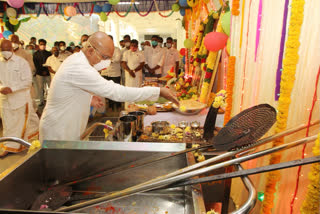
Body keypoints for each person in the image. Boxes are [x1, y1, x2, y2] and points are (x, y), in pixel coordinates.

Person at [39, 32, 178, 142]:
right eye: (104, 57)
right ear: (90, 50)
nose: (107, 62)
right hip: (58, 131)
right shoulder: (79, 67)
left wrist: (89, 99)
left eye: (109, 59)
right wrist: (158, 91)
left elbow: (72, 89)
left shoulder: (81, 61)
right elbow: (115, 92)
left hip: (68, 126)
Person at [0, 40, 39, 157]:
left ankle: (17, 146)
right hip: (4, 100)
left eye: (7, 50)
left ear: (12, 49)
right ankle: (8, 146)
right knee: (8, 124)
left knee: (21, 124)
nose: (5, 52)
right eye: (2, 50)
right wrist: (1, 87)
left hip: (20, 99)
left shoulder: (21, 63)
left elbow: (27, 82)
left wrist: (12, 88)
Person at [100, 35, 122, 110]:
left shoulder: (117, 49)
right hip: (105, 72)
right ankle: (110, 106)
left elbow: (117, 59)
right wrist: (110, 59)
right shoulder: (102, 49)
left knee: (116, 89)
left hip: (115, 73)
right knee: (107, 90)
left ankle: (118, 105)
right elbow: (100, 58)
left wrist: (108, 59)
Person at [33, 39, 52, 107]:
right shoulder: (35, 54)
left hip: (47, 73)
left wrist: (46, 71)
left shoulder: (49, 53)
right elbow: (36, 64)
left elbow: (50, 63)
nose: (42, 46)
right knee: (40, 88)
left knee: (50, 87)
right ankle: (41, 101)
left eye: (44, 44)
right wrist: (41, 71)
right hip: (39, 73)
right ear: (39, 45)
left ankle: (50, 101)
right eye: (41, 44)